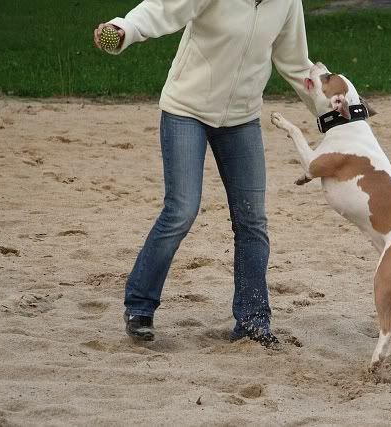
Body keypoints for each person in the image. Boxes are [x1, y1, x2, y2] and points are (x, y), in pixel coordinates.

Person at [93, 0, 317, 348]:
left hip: (242, 118)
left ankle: (253, 322)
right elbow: (162, 9)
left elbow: (295, 62)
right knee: (181, 210)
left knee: (252, 220)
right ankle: (140, 307)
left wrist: (337, 111)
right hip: (187, 110)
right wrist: (124, 29)